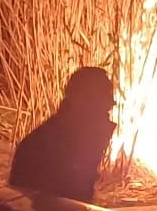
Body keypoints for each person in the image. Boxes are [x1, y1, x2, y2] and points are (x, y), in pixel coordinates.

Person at [8, 66, 118, 203]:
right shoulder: (52, 144)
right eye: (102, 106)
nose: (108, 113)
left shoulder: (68, 134)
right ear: (81, 102)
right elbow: (67, 202)